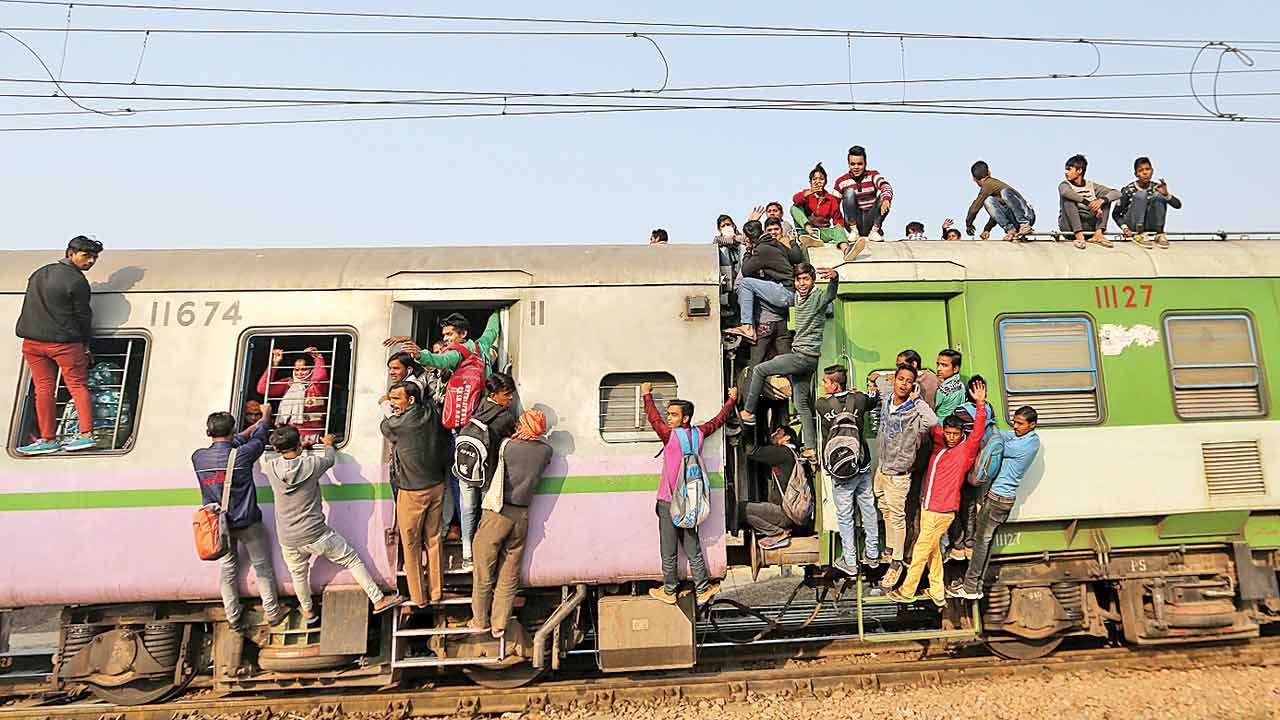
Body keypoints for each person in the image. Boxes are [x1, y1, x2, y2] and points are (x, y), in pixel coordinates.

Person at [265, 427, 405, 623]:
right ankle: (378, 599)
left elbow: (290, 464)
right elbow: (329, 460)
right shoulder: (312, 465)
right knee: (351, 559)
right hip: (316, 533)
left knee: (298, 575)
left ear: (277, 449)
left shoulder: (271, 467)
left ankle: (307, 611)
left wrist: (299, 451)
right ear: (298, 443)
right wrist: (328, 444)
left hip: (288, 537)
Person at [887, 381, 988, 607]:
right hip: (927, 506)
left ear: (962, 434)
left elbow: (978, 431)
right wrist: (916, 401)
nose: (952, 437)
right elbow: (933, 425)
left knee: (922, 549)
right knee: (932, 552)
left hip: (943, 511)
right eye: (949, 433)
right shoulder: (940, 445)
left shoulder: (965, 451)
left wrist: (980, 404)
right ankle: (938, 592)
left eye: (955, 434)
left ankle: (907, 590)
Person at [192, 405, 286, 632]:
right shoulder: (242, 455)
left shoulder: (198, 457)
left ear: (207, 433)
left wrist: (247, 429)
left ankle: (233, 616)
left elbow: (232, 442)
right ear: (233, 430)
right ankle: (273, 612)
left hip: (219, 526)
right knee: (262, 566)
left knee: (228, 568)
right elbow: (259, 437)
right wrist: (264, 417)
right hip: (247, 521)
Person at [642, 382, 736, 605]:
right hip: (691, 502)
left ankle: (669, 590)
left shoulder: (670, 436)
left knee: (668, 549)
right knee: (692, 547)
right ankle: (702, 588)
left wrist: (646, 395)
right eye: (669, 415)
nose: (668, 419)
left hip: (668, 501)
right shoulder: (699, 434)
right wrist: (731, 401)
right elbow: (717, 421)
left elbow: (653, 419)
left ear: (685, 418)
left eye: (673, 415)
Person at [14, 235, 103, 455]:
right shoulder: (77, 281)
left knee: (43, 389)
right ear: (71, 253)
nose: (91, 261)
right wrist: (85, 343)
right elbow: (83, 316)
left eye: (94, 257)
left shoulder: (39, 273)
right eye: (87, 256)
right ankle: (85, 435)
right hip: (64, 344)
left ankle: (47, 439)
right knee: (77, 386)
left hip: (32, 343)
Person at [740, 264, 840, 458]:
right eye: (798, 280)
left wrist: (834, 278)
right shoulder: (798, 298)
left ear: (813, 281)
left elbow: (830, 295)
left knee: (760, 370)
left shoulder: (817, 297)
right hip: (809, 360)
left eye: (806, 279)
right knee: (801, 403)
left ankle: (749, 412)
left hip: (802, 357)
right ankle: (810, 448)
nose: (802, 283)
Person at [470, 410, 553, 638]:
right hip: (522, 516)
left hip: (498, 512)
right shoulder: (546, 451)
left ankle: (479, 620)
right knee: (509, 573)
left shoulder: (508, 446)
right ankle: (499, 624)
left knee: (483, 568)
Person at [952, 405, 1040, 600]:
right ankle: (974, 585)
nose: (1015, 426)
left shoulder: (1025, 445)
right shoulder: (1027, 438)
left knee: (981, 544)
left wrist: (984, 425)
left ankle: (970, 586)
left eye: (1020, 423)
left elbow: (995, 444)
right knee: (986, 543)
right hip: (999, 499)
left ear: (1032, 425)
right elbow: (1002, 434)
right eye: (1014, 422)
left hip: (998, 500)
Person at [867, 364, 939, 591]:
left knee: (897, 517)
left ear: (913, 385)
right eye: (901, 379)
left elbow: (933, 421)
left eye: (909, 381)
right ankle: (889, 547)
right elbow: (878, 379)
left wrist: (917, 400)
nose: (903, 384)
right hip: (883, 468)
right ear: (895, 380)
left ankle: (897, 561)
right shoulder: (888, 397)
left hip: (899, 474)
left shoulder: (915, 411)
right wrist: (874, 377)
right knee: (884, 508)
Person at [381, 381, 451, 606]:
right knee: (434, 539)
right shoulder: (430, 413)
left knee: (411, 544)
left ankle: (419, 597)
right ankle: (437, 591)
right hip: (437, 486)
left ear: (410, 400)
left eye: (396, 399)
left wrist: (384, 407)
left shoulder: (400, 424)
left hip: (412, 491)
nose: (393, 404)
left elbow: (386, 427)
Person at [816, 364, 878, 576]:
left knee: (845, 515)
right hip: (862, 463)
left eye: (825, 381)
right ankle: (873, 554)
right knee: (868, 508)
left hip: (840, 469)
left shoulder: (821, 405)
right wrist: (869, 385)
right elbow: (873, 398)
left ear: (834, 384)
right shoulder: (859, 399)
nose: (823, 385)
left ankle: (850, 562)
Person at [456, 372, 519, 568]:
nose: (510, 398)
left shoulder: (479, 405)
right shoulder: (506, 417)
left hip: (465, 468)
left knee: (467, 511)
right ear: (494, 394)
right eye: (506, 394)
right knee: (484, 513)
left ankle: (467, 555)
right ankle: (481, 554)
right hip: (486, 472)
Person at [946, 375, 1000, 562]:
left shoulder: (961, 410)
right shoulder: (989, 408)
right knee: (970, 505)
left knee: (955, 505)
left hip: (963, 464)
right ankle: (969, 544)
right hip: (982, 466)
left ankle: (958, 544)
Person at [724, 219, 798, 343]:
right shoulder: (774, 243)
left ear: (748, 238)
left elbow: (746, 270)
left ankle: (747, 326)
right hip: (789, 291)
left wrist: (748, 250)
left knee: (746, 283)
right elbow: (795, 257)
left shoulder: (762, 249)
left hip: (784, 293)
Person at [744, 425, 805, 550]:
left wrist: (745, 429)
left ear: (787, 437)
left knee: (742, 509)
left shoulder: (783, 452)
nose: (773, 433)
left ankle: (778, 533)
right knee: (748, 513)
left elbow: (751, 451)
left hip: (784, 513)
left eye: (778, 432)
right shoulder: (793, 454)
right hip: (790, 513)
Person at [390, 311, 501, 376]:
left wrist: (420, 355)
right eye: (444, 335)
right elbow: (492, 330)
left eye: (449, 334)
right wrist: (496, 310)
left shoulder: (457, 352)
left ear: (463, 334)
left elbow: (442, 360)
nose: (445, 338)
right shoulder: (482, 344)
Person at [258, 346, 329, 445]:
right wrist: (274, 364)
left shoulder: (317, 385)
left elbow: (319, 377)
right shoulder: (289, 383)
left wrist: (318, 359)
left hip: (311, 435)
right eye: (297, 370)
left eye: (304, 369)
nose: (300, 373)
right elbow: (262, 388)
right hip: (288, 435)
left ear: (312, 369)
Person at [1113, 157, 1182, 250]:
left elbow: (1178, 205)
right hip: (1134, 224)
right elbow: (1116, 214)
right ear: (1136, 174)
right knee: (1141, 194)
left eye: (1147, 169)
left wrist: (1166, 194)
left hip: (1150, 223)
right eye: (1141, 170)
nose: (1145, 173)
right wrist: (1125, 228)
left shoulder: (1157, 187)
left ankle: (1159, 233)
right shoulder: (1128, 190)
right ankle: (1140, 234)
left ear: (1152, 171)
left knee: (1158, 195)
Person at [1059, 154, 1121, 251]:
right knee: (1068, 199)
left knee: (1105, 199)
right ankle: (1079, 236)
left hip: (1088, 226)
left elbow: (1117, 193)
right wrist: (1089, 203)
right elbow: (1065, 192)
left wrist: (1101, 201)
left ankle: (1098, 234)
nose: (1066, 172)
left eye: (1069, 169)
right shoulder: (1065, 185)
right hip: (1070, 227)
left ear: (1079, 170)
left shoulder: (1091, 186)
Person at [835, 145, 893, 245]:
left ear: (865, 164)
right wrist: (838, 225)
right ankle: (854, 232)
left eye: (859, 164)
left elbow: (885, 186)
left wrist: (886, 199)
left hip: (870, 220)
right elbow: (833, 205)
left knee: (883, 197)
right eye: (853, 164)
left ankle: (874, 231)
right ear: (848, 165)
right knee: (849, 193)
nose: (856, 167)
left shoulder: (873, 175)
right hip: (853, 221)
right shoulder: (842, 181)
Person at [965, 161, 1036, 242]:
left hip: (1028, 215)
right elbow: (998, 212)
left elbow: (975, 207)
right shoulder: (991, 189)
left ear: (974, 179)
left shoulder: (989, 185)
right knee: (988, 201)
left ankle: (1024, 224)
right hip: (1014, 219)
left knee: (1005, 192)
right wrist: (987, 229)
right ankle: (1011, 230)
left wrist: (969, 224)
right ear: (989, 172)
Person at [791, 163, 851, 251]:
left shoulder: (831, 199)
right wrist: (809, 192)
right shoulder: (806, 195)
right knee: (794, 208)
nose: (818, 181)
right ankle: (811, 233)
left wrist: (839, 230)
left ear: (825, 182)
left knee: (838, 229)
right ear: (810, 182)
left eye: (821, 179)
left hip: (821, 232)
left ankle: (846, 250)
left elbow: (838, 219)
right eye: (814, 179)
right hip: (806, 233)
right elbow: (795, 199)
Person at [379, 351, 428, 417]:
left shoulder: (412, 386)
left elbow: (400, 419)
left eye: (396, 368)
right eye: (390, 368)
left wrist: (385, 403)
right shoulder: (405, 384)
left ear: (409, 370)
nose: (391, 372)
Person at [934, 349, 966, 421]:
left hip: (940, 428)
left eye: (944, 365)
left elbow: (930, 411)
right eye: (938, 364)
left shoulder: (943, 389)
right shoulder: (961, 385)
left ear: (955, 369)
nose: (939, 368)